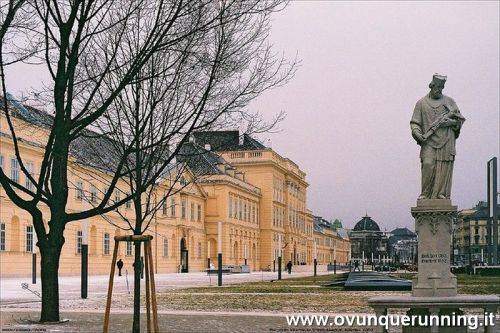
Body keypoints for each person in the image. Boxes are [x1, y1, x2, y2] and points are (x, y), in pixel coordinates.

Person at [410, 74, 465, 199]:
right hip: (428, 141)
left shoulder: (449, 102)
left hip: (446, 139)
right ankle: (425, 193)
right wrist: (417, 133)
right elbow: (415, 123)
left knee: (443, 167)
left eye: (442, 87)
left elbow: (459, 119)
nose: (439, 90)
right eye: (437, 87)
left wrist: (450, 123)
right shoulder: (421, 103)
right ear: (432, 86)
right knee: (428, 164)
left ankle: (441, 193)